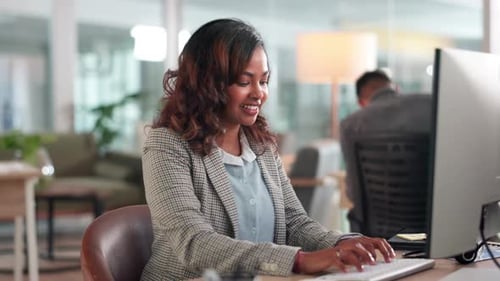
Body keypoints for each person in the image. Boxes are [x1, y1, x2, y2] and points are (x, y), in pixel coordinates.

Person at [141, 18, 395, 281]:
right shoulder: (167, 145)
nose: (258, 93)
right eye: (244, 82)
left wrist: (344, 242)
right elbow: (193, 243)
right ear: (207, 83)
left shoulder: (260, 145)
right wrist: (298, 260)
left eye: (263, 81)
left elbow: (295, 223)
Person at [340, 70, 432, 233]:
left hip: (378, 236)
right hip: (435, 224)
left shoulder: (351, 124)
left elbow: (354, 193)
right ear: (396, 89)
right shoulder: (433, 106)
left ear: (361, 102)